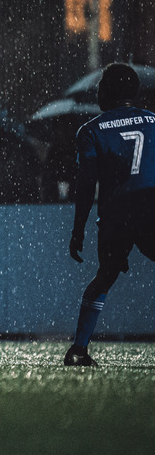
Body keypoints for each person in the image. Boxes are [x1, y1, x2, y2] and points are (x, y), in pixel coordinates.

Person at [64, 63, 155, 366]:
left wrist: (79, 228)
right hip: (150, 206)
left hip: (116, 214)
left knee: (104, 277)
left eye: (102, 86)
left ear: (108, 91)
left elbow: (87, 184)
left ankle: (78, 349)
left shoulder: (90, 130)